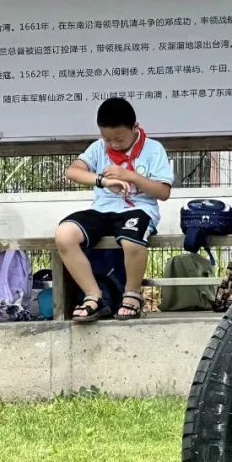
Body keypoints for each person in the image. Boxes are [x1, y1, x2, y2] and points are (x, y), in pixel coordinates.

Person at [54, 97, 173, 323]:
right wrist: (102, 181)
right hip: (102, 210)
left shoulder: (153, 149)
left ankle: (132, 295)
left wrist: (131, 176)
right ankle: (93, 295)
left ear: (134, 128)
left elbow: (163, 192)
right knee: (64, 234)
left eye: (119, 138)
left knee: (131, 240)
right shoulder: (99, 148)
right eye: (107, 138)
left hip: (139, 210)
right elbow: (73, 172)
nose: (113, 144)